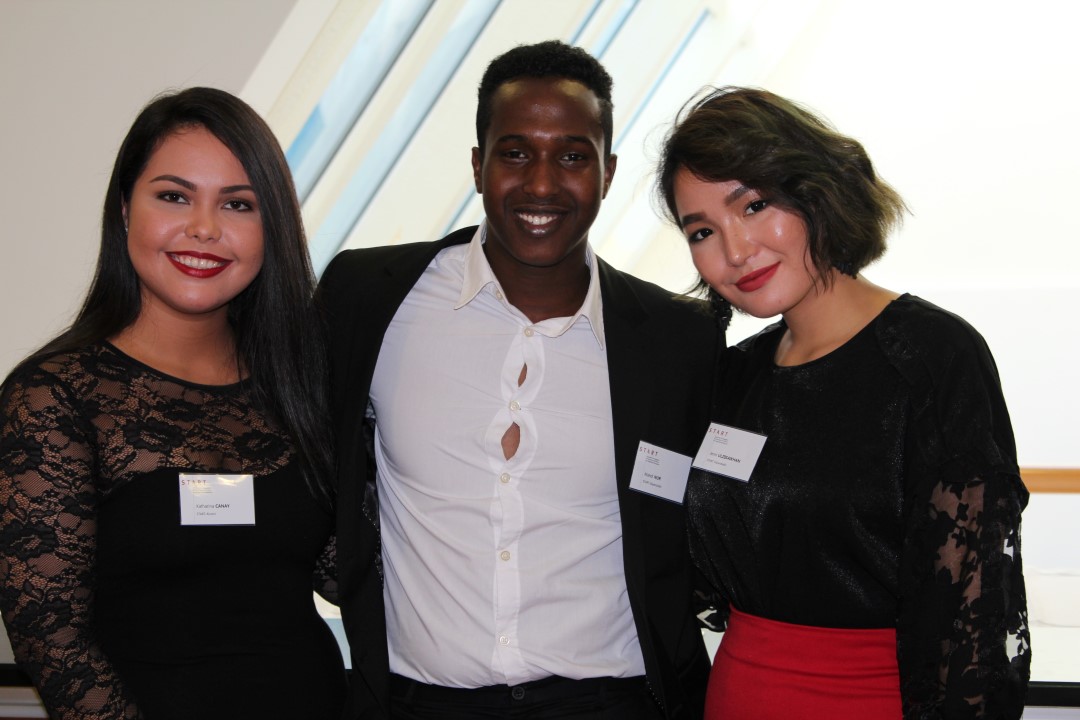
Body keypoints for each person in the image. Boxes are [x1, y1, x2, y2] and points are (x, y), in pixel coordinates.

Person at [319, 40, 718, 720]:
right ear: (478, 165)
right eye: (514, 153)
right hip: (416, 703)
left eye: (572, 156)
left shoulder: (679, 337)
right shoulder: (368, 296)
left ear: (608, 172)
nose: (540, 184)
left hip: (612, 702)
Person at [656, 85, 1030, 719]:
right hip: (736, 695)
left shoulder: (930, 357)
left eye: (754, 205)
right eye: (703, 231)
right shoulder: (736, 375)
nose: (735, 251)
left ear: (816, 191)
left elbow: (970, 610)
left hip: (874, 701)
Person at [0, 87, 346, 719]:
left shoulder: (299, 384)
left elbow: (345, 574)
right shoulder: (55, 395)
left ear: (271, 228)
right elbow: (52, 638)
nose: (205, 228)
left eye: (238, 204)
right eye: (174, 196)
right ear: (124, 210)